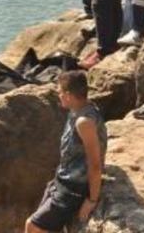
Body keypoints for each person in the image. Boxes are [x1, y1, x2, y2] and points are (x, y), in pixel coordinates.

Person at [24, 70, 107, 233]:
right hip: (62, 180)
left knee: (32, 226)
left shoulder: (85, 122)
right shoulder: (80, 108)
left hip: (73, 188)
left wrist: (92, 200)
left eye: (60, 92)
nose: (58, 95)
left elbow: (95, 164)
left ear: (68, 95)